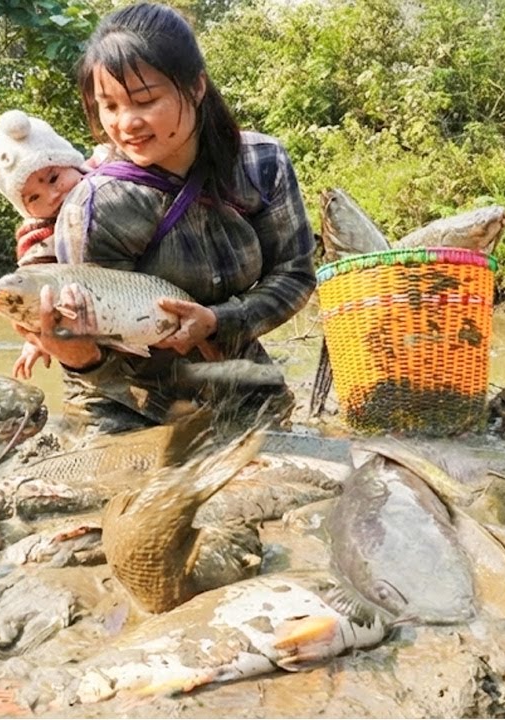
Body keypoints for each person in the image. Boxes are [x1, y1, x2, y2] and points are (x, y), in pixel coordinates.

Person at [16, 2, 318, 434]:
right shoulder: (97, 206)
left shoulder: (260, 163)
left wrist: (217, 323)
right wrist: (74, 350)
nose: (127, 123)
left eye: (145, 100)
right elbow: (104, 362)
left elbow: (295, 275)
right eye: (110, 106)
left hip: (240, 383)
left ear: (195, 87)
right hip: (125, 405)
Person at [0, 109, 90, 378]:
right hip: (85, 323)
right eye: (33, 198)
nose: (52, 195)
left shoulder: (110, 185)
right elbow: (35, 292)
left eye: (54, 178)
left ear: (75, 164)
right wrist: (34, 339)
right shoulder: (38, 242)